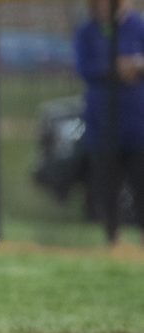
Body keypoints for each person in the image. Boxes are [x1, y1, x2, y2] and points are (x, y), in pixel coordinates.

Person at [74, 0, 144, 245]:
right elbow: (84, 67)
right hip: (102, 125)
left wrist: (135, 66)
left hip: (137, 126)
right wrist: (113, 68)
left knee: (140, 184)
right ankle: (113, 239)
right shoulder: (87, 31)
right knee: (107, 188)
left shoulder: (139, 26)